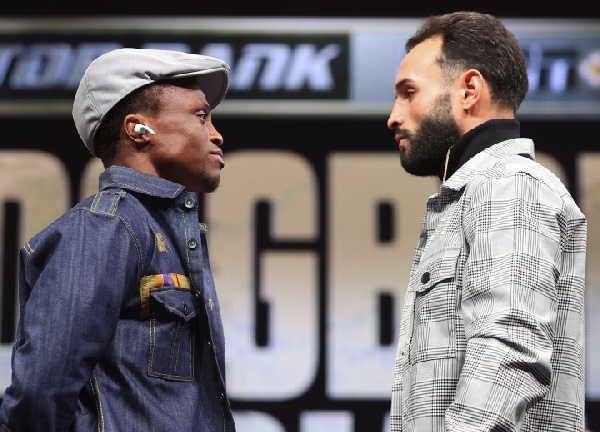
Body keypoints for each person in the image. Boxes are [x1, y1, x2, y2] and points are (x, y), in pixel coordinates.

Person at [0, 48, 236, 431]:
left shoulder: (157, 232)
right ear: (138, 129)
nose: (216, 134)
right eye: (201, 116)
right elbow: (41, 392)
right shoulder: (103, 229)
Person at [387, 11, 586, 431]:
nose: (393, 115)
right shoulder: (476, 193)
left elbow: (509, 352)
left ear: (469, 90)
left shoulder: (510, 185)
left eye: (409, 92)